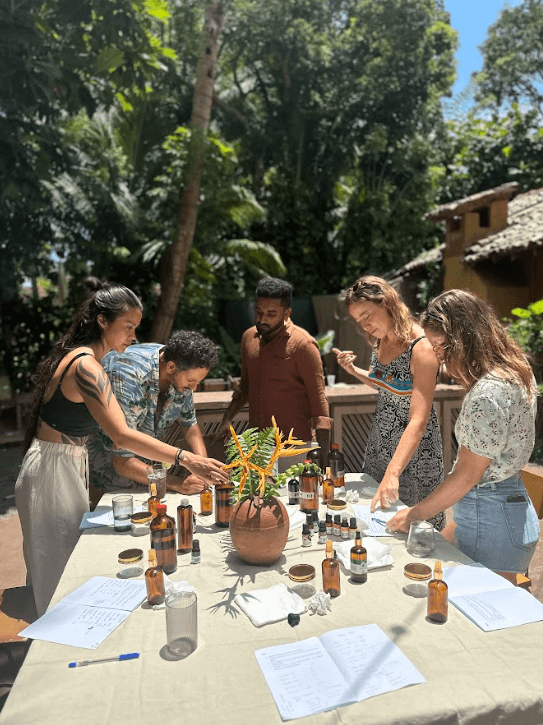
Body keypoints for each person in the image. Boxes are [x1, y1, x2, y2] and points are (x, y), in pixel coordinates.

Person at [16, 285, 228, 616]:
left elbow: (166, 427)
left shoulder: (90, 362)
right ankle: (49, 655)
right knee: (57, 573)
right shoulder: (87, 367)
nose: (133, 336)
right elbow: (122, 436)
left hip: (67, 463)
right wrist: (185, 458)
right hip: (51, 469)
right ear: (102, 321)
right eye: (128, 326)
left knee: (63, 562)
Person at [387, 290, 539, 573]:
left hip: (493, 524)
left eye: (442, 346)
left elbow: (468, 475)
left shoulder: (487, 394)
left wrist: (413, 515)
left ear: (464, 339)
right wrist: (451, 530)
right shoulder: (517, 370)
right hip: (509, 514)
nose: (439, 357)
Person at [334, 276, 445, 529]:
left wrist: (393, 472)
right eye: (358, 321)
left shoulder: (422, 347)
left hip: (413, 452)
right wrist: (353, 371)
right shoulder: (380, 340)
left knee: (414, 527)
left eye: (367, 315)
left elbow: (418, 419)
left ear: (387, 302)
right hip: (380, 443)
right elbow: (386, 386)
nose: (365, 326)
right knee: (378, 522)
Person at [88, 330, 218, 496]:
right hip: (104, 479)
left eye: (198, 382)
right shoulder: (126, 376)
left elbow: (189, 425)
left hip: (147, 475)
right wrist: (178, 483)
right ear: (171, 367)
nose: (194, 388)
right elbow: (121, 461)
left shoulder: (180, 363)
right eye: (191, 381)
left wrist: (202, 469)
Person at [217, 278, 331, 460]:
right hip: (257, 448)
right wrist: (227, 418)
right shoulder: (248, 338)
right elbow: (245, 388)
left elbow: (319, 403)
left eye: (271, 314)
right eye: (258, 312)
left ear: (286, 313)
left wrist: (325, 457)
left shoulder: (303, 344)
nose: (262, 319)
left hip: (294, 448)